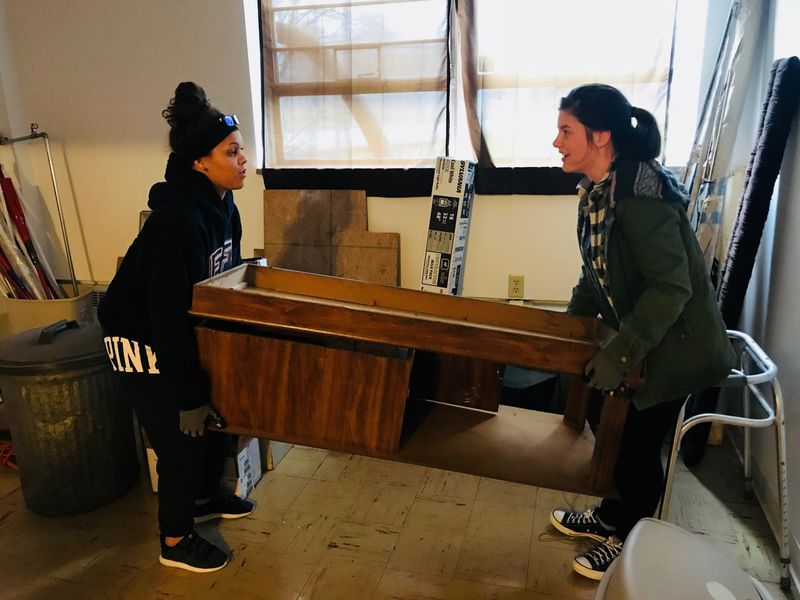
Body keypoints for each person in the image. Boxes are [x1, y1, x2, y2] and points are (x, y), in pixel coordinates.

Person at [548, 84, 736, 580]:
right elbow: (597, 275)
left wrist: (621, 354)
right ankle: (613, 514)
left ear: (601, 135)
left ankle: (632, 536)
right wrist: (563, 331)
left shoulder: (640, 195)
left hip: (679, 348)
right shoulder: (601, 190)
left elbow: (670, 288)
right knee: (610, 427)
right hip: (648, 338)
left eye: (566, 131)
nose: (557, 142)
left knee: (634, 442)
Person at [98, 81, 253, 573]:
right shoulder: (176, 223)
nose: (244, 159)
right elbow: (165, 314)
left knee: (218, 419)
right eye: (232, 152)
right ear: (200, 162)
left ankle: (206, 501)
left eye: (241, 149)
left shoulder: (225, 206)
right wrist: (186, 394)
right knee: (180, 442)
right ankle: (174, 538)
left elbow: (222, 283)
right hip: (139, 337)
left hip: (177, 330)